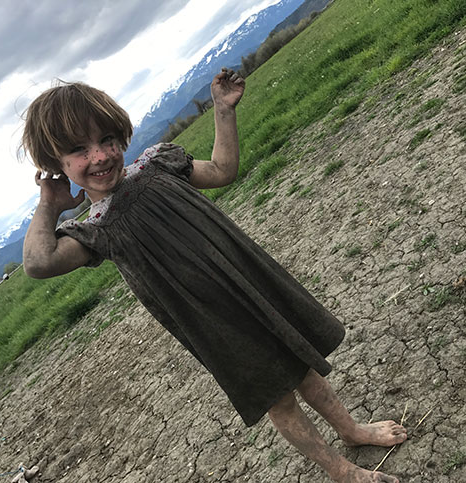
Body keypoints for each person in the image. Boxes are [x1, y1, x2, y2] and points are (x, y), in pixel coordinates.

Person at [21, 68, 407, 483]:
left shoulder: (158, 165)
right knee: (280, 399)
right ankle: (341, 472)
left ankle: (351, 430)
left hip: (248, 285)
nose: (99, 156)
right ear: (56, 165)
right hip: (213, 324)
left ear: (120, 136)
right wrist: (49, 204)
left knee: (302, 364)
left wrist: (223, 110)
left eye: (106, 140)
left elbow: (223, 170)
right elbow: (39, 263)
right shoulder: (96, 228)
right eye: (80, 150)